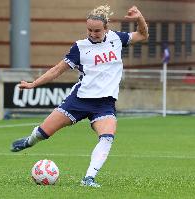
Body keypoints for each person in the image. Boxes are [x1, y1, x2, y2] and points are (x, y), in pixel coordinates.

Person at [11, 5, 148, 187]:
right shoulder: (80, 47)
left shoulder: (117, 38)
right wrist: (33, 84)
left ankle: (88, 178)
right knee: (44, 133)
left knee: (107, 137)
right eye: (89, 30)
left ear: (106, 28)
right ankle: (29, 141)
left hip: (104, 103)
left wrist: (139, 18)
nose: (93, 33)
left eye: (97, 30)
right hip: (79, 100)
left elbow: (143, 35)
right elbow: (57, 70)